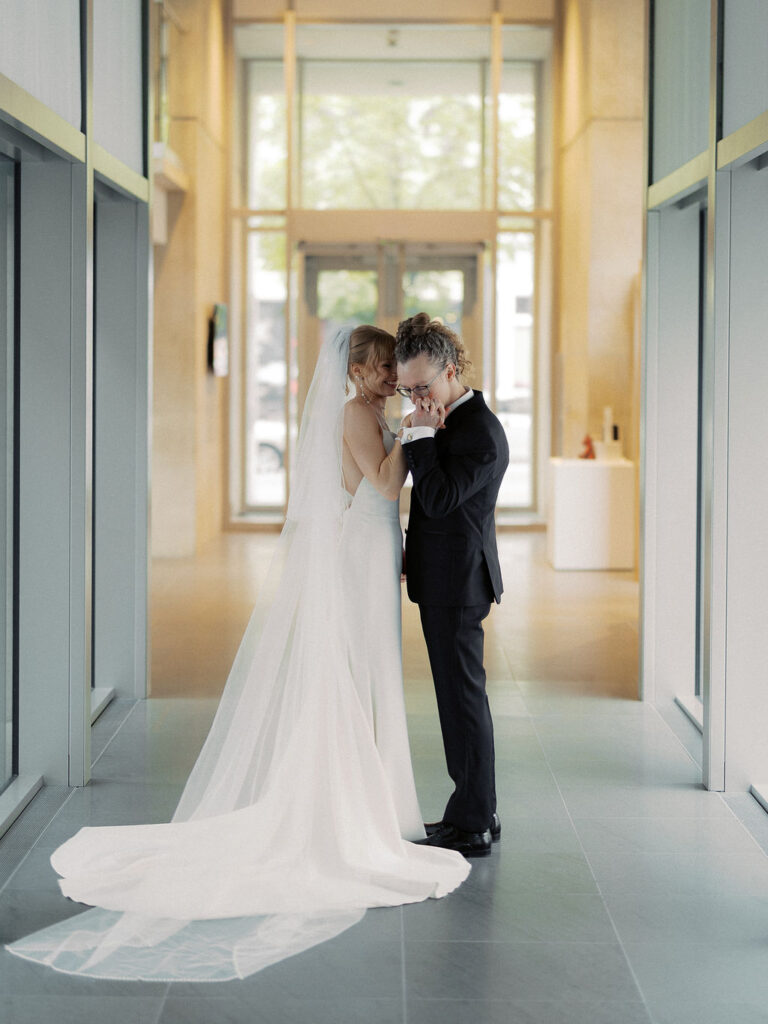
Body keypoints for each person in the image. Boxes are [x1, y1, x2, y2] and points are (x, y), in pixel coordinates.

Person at [5, 325, 469, 982]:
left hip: (372, 553)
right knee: (357, 671)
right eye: (385, 366)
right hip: (359, 556)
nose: (395, 375)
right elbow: (388, 484)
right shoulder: (352, 414)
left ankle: (371, 802)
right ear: (358, 370)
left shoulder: (370, 412)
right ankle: (350, 808)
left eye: (396, 367)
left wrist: (411, 430)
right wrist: (421, 429)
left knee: (370, 673)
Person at [395, 313, 509, 859]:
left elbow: (437, 499)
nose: (416, 397)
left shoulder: (479, 432)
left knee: (462, 701)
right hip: (443, 578)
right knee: (457, 700)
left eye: (422, 386)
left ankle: (473, 824)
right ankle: (475, 810)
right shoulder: (452, 421)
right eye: (408, 388)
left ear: (452, 369)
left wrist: (419, 434)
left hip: (459, 584)